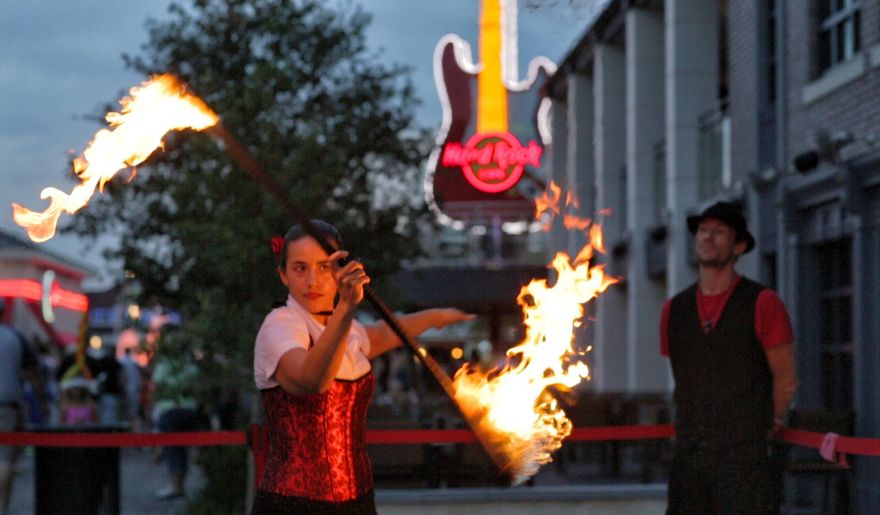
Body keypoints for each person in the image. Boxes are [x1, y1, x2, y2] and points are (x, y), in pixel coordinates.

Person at [251, 220, 473, 515]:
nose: (313, 281)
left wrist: (435, 316)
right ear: (284, 275)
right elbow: (311, 381)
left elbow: (382, 333)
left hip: (358, 502)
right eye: (300, 268)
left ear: (341, 269)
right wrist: (346, 306)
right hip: (294, 505)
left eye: (324, 267)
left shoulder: (346, 328)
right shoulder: (280, 326)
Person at [660, 201, 798, 514]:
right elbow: (685, 376)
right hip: (689, 456)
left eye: (719, 232)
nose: (707, 238)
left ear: (739, 246)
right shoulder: (674, 310)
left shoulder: (763, 302)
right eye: (703, 231)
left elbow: (787, 378)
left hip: (743, 458)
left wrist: (768, 422)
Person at [0, 299, 45, 515]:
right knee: (4, 460)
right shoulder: (15, 337)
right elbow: (33, 374)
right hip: (7, 406)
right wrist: (42, 404)